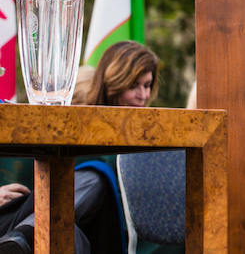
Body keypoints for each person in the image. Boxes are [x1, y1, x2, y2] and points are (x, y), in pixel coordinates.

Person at [0, 42, 160, 254]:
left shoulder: (155, 135)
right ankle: (31, 231)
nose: (143, 95)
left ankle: (30, 232)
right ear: (114, 83)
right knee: (94, 178)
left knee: (69, 231)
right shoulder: (74, 125)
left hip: (84, 227)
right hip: (17, 214)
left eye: (147, 85)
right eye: (133, 86)